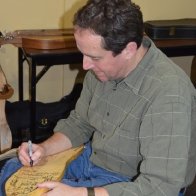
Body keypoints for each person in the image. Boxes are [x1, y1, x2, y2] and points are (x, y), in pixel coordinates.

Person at [1, 0, 196, 195]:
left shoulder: (169, 93)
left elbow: (160, 187)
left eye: (94, 57)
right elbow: (80, 123)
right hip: (95, 158)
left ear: (128, 50)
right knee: (10, 171)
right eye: (83, 54)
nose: (85, 65)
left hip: (132, 181)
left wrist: (82, 193)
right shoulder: (102, 70)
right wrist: (44, 150)